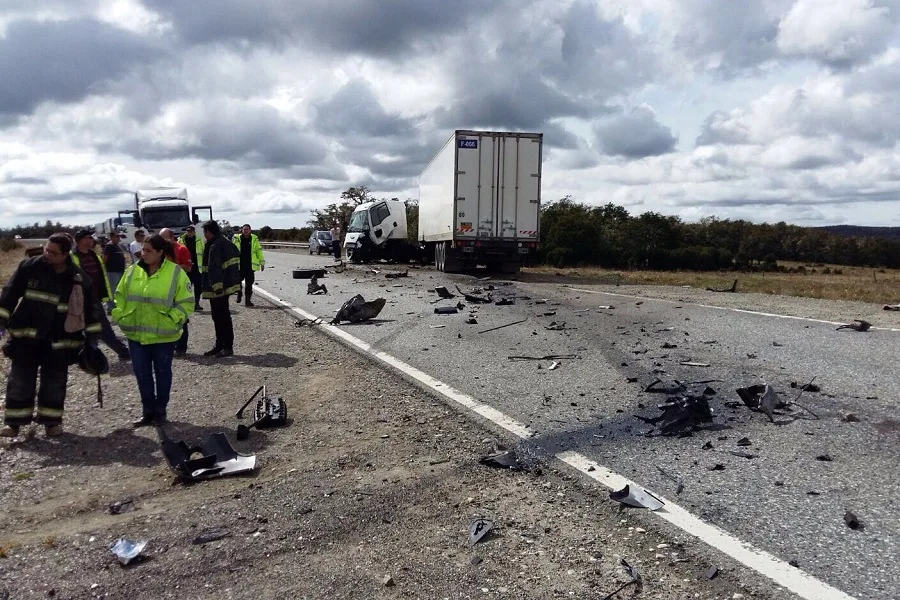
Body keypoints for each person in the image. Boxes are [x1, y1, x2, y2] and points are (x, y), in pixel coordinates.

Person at [0, 234, 102, 437]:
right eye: (47, 249)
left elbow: (92, 311)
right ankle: (14, 424)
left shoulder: (79, 279)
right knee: (20, 381)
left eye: (53, 253)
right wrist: (1, 321)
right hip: (26, 339)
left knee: (55, 383)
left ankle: (51, 422)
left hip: (60, 341)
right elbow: (9, 295)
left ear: (65, 255)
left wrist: (92, 342)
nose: (47, 254)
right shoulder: (29, 267)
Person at [112, 234, 194, 427]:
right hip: (136, 335)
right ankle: (147, 412)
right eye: (143, 249)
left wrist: (173, 320)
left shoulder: (175, 273)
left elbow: (187, 301)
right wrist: (121, 316)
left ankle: (160, 411)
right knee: (142, 374)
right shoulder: (132, 271)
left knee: (163, 373)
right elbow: (120, 296)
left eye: (149, 251)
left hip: (163, 336)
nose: (143, 253)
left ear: (160, 253)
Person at [72, 230, 131, 361]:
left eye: (90, 238)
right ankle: (120, 351)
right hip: (80, 300)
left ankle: (92, 356)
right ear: (79, 240)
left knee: (98, 328)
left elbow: (101, 276)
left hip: (93, 298)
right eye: (86, 238)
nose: (90, 240)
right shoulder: (72, 257)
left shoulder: (94, 255)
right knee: (96, 328)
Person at [201, 220, 241, 357]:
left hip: (218, 288)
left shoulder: (216, 245)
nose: (204, 235)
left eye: (204, 232)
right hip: (221, 286)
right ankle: (220, 345)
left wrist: (217, 287)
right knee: (217, 316)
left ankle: (227, 347)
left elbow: (214, 268)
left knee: (222, 317)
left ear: (209, 232)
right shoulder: (221, 242)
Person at [159, 228, 194, 357]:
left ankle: (181, 347)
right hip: (163, 288)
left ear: (172, 237)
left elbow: (189, 268)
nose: (161, 240)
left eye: (164, 237)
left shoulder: (181, 249)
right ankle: (169, 344)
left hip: (178, 289)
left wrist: (172, 268)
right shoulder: (160, 251)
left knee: (180, 317)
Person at [232, 224, 265, 307]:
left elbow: (259, 252)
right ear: (242, 230)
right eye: (244, 229)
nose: (245, 231)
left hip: (250, 266)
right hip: (239, 266)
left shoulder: (254, 239)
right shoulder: (236, 239)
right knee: (237, 282)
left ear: (250, 230)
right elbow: (231, 251)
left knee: (249, 284)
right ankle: (239, 293)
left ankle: (248, 300)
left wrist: (262, 263)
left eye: (247, 229)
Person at [178, 225, 204, 311]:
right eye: (188, 231)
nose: (189, 233)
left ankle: (196, 303)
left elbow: (203, 253)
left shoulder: (199, 241)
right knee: (186, 286)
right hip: (185, 267)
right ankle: (186, 304)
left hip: (197, 267)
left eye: (191, 231)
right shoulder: (180, 240)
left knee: (198, 286)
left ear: (194, 232)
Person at [101, 230, 128, 314]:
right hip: (112, 272)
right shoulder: (109, 246)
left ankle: (118, 305)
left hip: (120, 271)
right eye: (116, 236)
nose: (118, 238)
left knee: (118, 290)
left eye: (119, 236)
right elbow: (104, 259)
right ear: (111, 237)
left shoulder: (118, 246)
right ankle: (111, 307)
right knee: (112, 290)